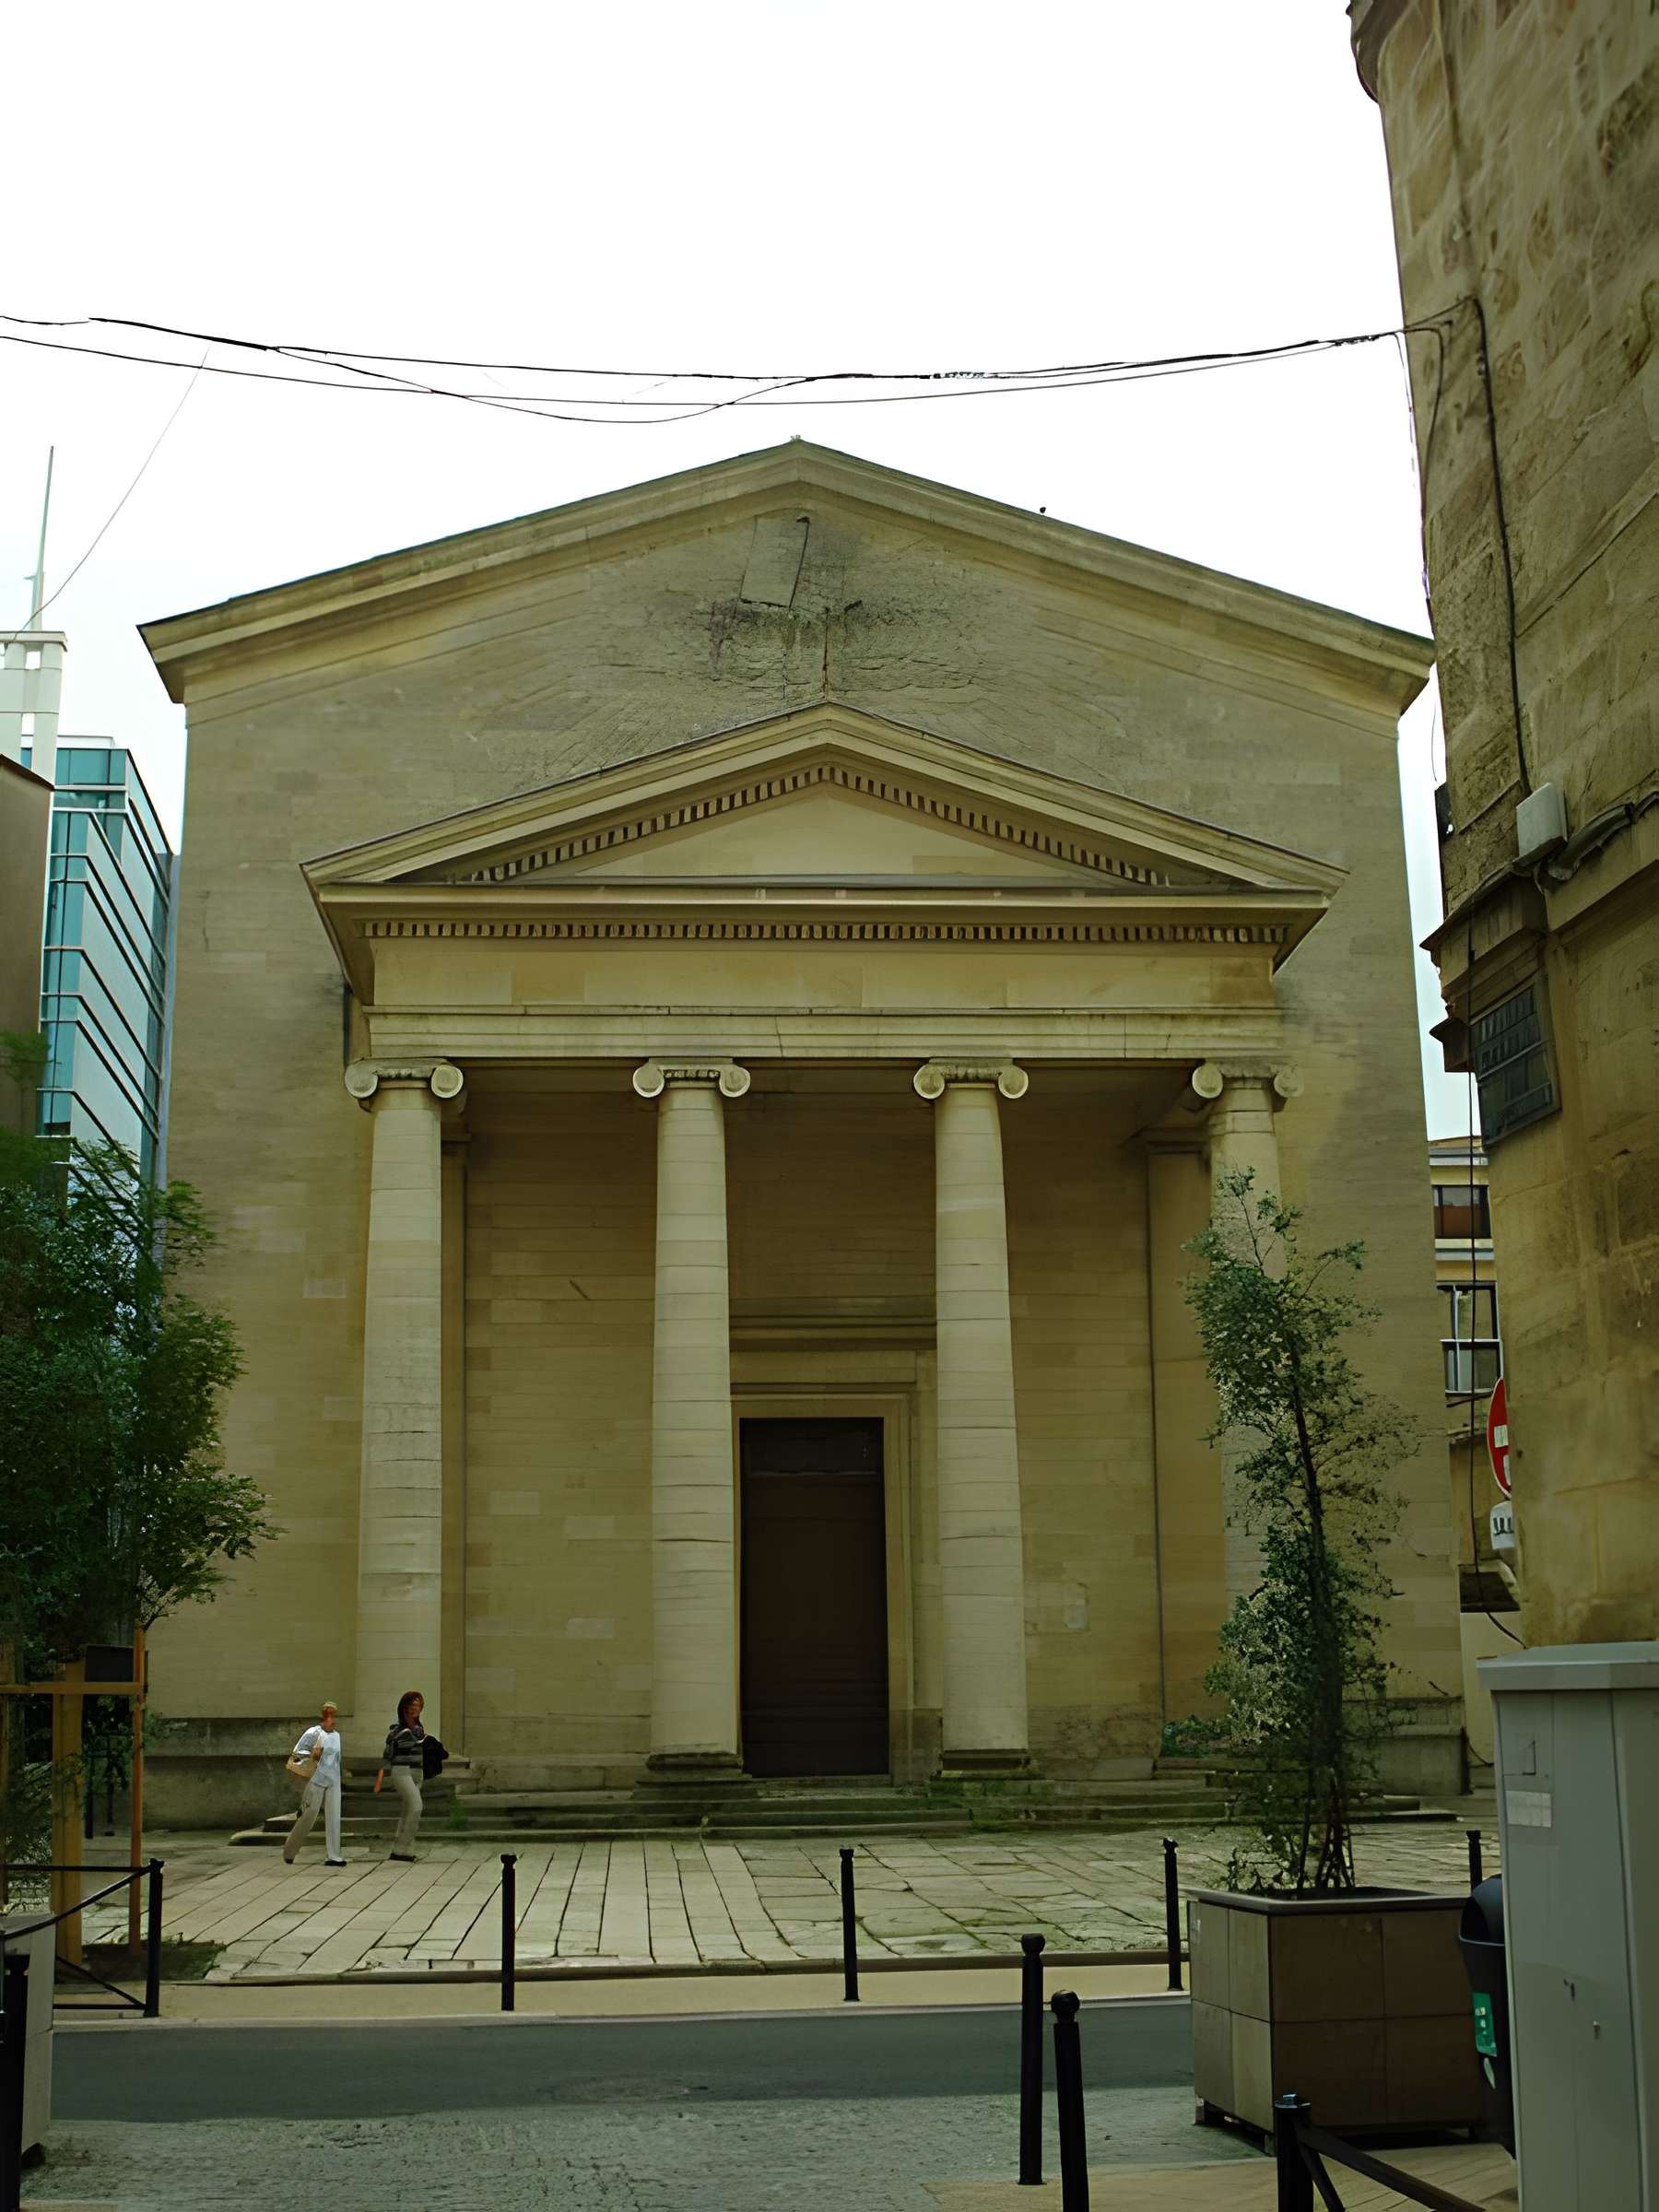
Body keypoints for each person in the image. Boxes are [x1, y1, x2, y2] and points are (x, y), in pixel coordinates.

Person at [284, 1701, 347, 1866]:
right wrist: (313, 1755)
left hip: (333, 1780)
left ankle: (334, 1855)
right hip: (316, 1779)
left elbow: (338, 1759)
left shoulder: (336, 1736)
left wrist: (342, 1776)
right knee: (309, 1815)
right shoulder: (313, 1733)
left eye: (333, 1715)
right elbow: (297, 1754)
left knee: (334, 1816)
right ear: (323, 1716)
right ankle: (290, 1851)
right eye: (328, 1715)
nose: (331, 1718)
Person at [383, 1690, 428, 1862]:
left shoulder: (419, 1728)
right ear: (404, 1707)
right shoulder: (398, 1728)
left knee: (409, 1810)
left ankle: (405, 1848)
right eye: (411, 1705)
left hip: (417, 1771)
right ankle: (401, 1847)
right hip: (401, 1770)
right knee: (417, 1806)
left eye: (417, 1705)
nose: (414, 1709)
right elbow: (389, 1749)